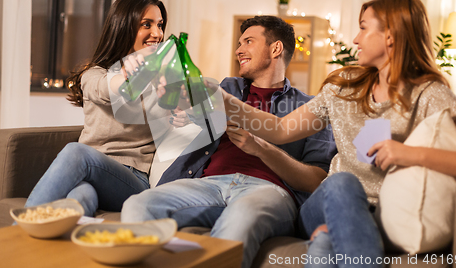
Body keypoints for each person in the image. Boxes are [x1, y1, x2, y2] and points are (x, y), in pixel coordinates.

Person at [217, 0, 456, 268]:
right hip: (326, 203)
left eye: (364, 28)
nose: (355, 39)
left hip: (382, 215)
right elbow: (281, 129)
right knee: (343, 182)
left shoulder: (429, 94)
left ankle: (336, 233)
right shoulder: (345, 88)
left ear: (390, 36)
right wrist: (223, 101)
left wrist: (409, 154)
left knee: (325, 246)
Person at [121, 15, 337, 268]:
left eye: (248, 41)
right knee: (139, 204)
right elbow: (191, 110)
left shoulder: (307, 107)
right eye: (238, 43)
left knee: (242, 215)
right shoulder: (227, 88)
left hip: (268, 191)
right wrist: (182, 113)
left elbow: (316, 179)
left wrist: (262, 150)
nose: (238, 50)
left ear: (275, 48)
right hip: (208, 184)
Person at [24, 0, 190, 217]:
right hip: (90, 173)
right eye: (146, 25)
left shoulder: (164, 81)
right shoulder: (94, 74)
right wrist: (126, 73)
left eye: (159, 25)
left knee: (76, 153)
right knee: (81, 196)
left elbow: (182, 119)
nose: (158, 34)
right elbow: (106, 90)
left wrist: (181, 118)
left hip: (133, 180)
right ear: (123, 28)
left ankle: (20, 228)